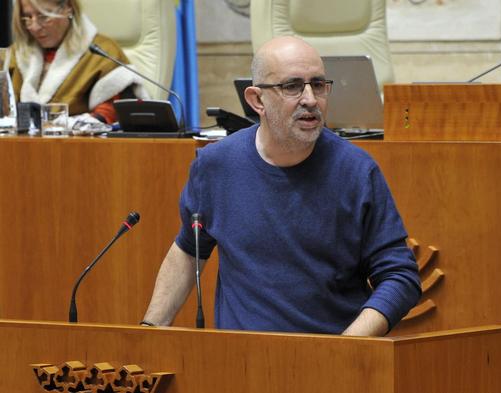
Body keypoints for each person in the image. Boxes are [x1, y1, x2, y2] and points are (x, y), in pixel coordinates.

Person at [142, 36, 421, 336]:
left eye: (318, 84)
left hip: (331, 365)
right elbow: (188, 251)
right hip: (242, 365)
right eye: (292, 86)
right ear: (257, 100)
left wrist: (347, 348)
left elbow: (399, 276)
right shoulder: (215, 166)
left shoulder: (356, 171)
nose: (310, 99)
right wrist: (150, 331)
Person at [8, 0, 148, 125]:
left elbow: (110, 115)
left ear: (68, 7)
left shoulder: (102, 53)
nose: (34, 27)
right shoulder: (14, 55)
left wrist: (71, 124)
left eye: (43, 17)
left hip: (82, 149)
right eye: (27, 17)